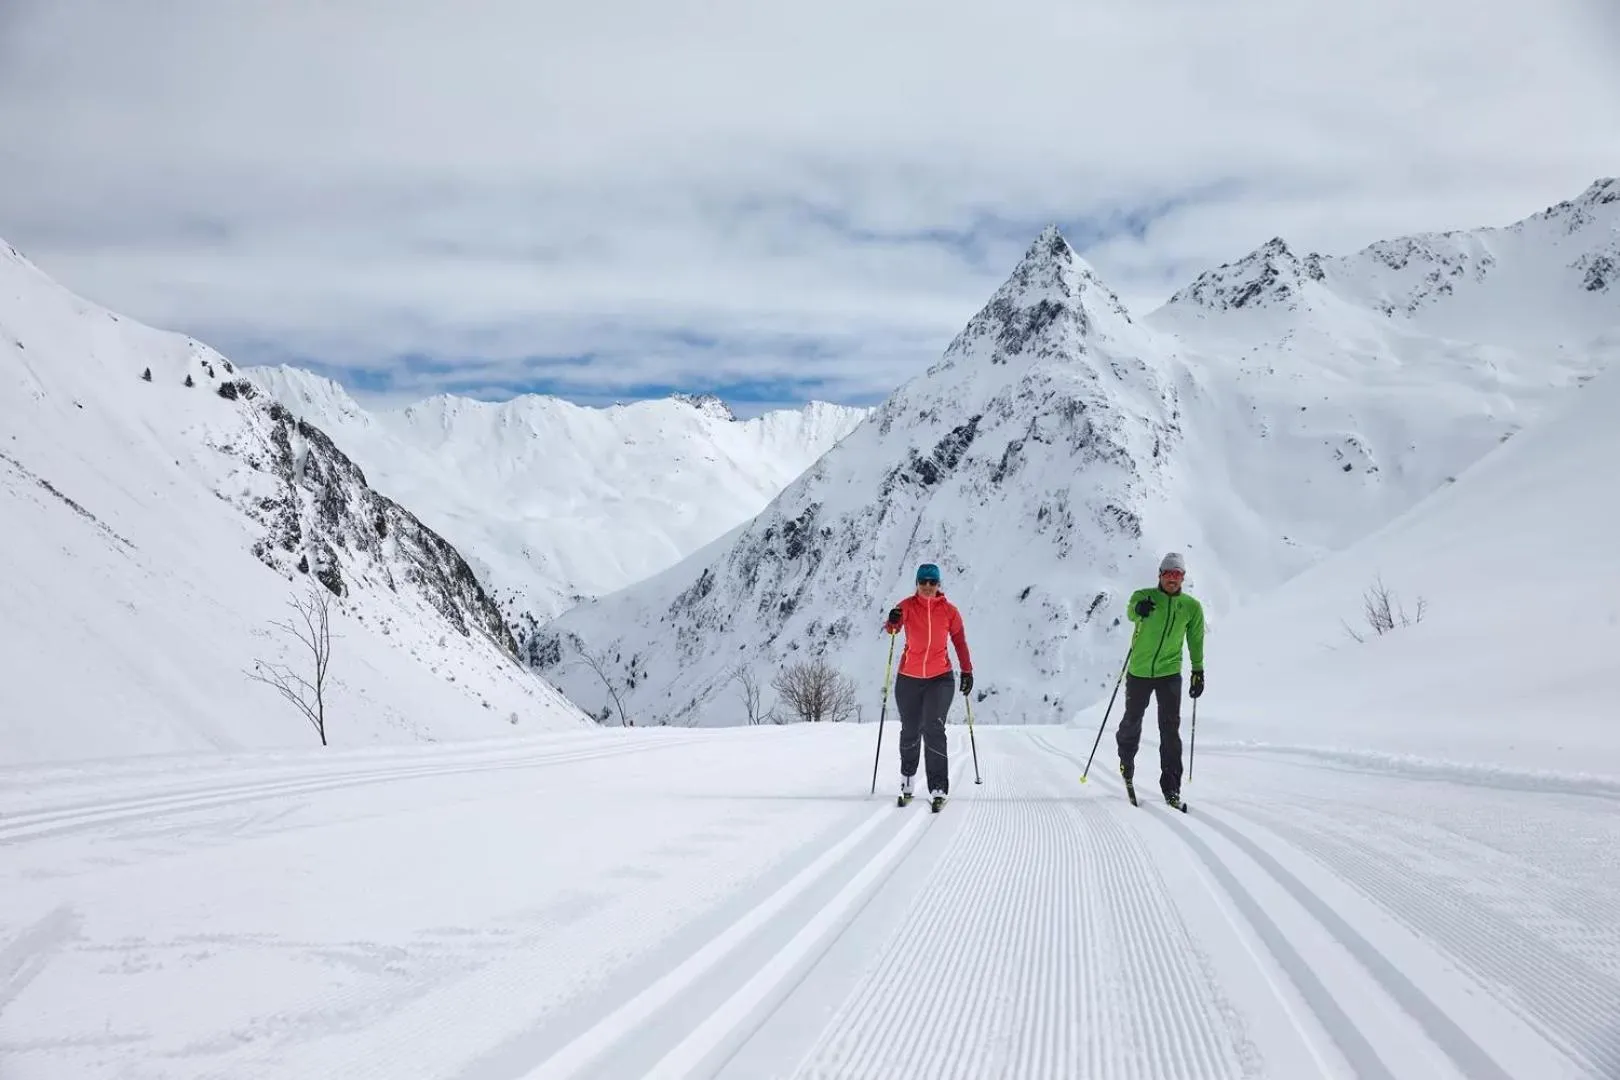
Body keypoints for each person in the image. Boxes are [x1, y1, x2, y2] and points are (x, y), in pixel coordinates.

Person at [1117, 551, 1205, 809]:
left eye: (1177, 574)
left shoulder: (1191, 607)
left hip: (1170, 673)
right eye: (1168, 573)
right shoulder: (1144, 597)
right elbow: (1131, 612)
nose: (1172, 578)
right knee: (1132, 721)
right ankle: (1126, 762)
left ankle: (1172, 787)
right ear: (1160, 575)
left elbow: (1196, 640)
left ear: (1183, 577)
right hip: (1139, 672)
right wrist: (1139, 610)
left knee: (1170, 730)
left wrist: (1198, 671)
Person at [883, 563, 973, 809]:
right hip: (908, 678)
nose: (927, 586)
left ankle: (938, 788)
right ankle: (907, 781)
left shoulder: (949, 611)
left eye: (932, 582)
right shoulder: (906, 606)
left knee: (933, 728)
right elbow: (893, 629)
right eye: (923, 581)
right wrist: (892, 621)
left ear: (938, 584)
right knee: (910, 730)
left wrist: (967, 671)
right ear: (917, 583)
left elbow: (959, 641)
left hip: (940, 678)